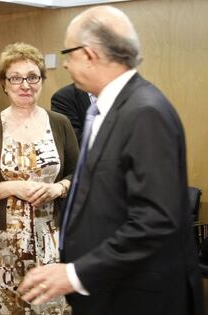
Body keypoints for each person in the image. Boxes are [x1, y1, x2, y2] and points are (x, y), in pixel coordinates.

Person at [19, 6, 204, 315]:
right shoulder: (112, 109)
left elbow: (155, 221)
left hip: (139, 296)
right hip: (110, 287)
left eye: (69, 53)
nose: (65, 63)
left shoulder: (145, 112)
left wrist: (75, 274)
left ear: (90, 54)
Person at [0, 42, 79, 314]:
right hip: (0, 244)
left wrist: (59, 188)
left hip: (50, 239)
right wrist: (13, 187)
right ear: (4, 83)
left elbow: (79, 174)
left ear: (41, 80)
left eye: (32, 77)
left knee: (49, 307)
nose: (24, 85)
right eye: (15, 78)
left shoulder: (59, 123)